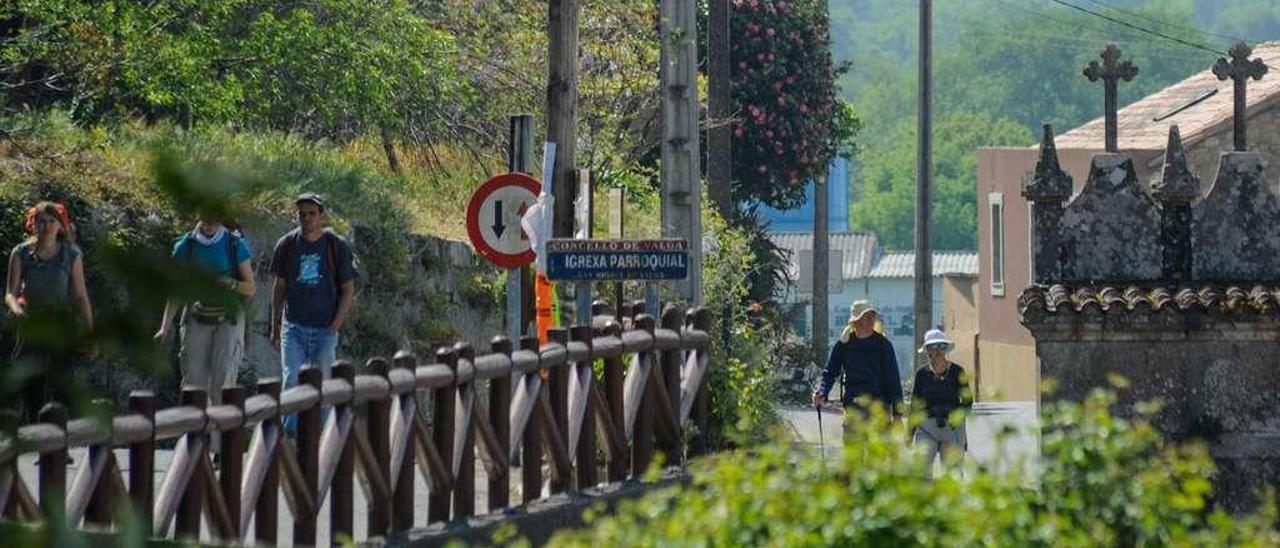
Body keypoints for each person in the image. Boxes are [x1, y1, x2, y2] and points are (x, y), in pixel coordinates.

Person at [269, 193, 357, 433]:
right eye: (302, 213)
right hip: (294, 326)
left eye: (311, 213)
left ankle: (325, 438)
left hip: (324, 328)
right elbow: (279, 287)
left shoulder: (336, 246)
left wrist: (334, 326)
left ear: (321, 216)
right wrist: (275, 325)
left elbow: (348, 289)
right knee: (291, 380)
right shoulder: (287, 245)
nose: (306, 218)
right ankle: (290, 439)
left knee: (325, 384)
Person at [154, 214, 256, 414]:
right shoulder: (186, 247)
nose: (210, 225)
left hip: (229, 318)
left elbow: (250, 288)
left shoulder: (234, 244)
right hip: (197, 316)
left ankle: (218, 444)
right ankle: (195, 441)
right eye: (206, 219)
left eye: (215, 219)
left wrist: (230, 284)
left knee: (222, 384)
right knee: (194, 386)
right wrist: (164, 327)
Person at [5, 201, 94, 423]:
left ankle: (59, 447)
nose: (45, 226)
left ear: (60, 225)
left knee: (62, 387)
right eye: (41, 221)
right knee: (32, 389)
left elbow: (80, 296)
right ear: (32, 224)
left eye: (51, 221)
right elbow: (11, 293)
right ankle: (38, 444)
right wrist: (16, 310)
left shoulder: (71, 254)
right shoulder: (21, 253)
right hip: (32, 327)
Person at [812, 300, 903, 434]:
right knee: (853, 452)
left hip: (879, 406)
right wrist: (822, 391)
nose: (869, 321)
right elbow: (830, 372)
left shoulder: (883, 345)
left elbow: (893, 379)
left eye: (871, 317)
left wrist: (897, 414)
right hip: (853, 405)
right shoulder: (844, 345)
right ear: (855, 321)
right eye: (865, 317)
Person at [909, 329, 972, 478]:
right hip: (926, 427)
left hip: (952, 427)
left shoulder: (957, 372)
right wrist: (909, 433)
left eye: (941, 347)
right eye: (933, 347)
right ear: (927, 351)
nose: (937, 351)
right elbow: (915, 404)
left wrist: (957, 420)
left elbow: (968, 401)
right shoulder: (921, 374)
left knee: (953, 473)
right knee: (921, 471)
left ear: (946, 350)